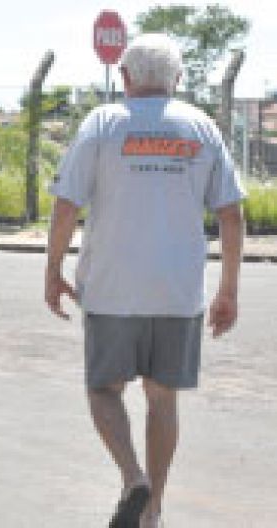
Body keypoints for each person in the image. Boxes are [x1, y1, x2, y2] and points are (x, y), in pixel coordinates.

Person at [45, 33, 244, 528]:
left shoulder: (103, 123)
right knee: (162, 398)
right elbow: (232, 214)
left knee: (103, 390)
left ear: (126, 78)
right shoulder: (201, 127)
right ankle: (153, 511)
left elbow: (67, 204)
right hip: (178, 293)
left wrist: (53, 269)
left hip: (112, 288)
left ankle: (134, 477)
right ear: (178, 79)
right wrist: (228, 290)